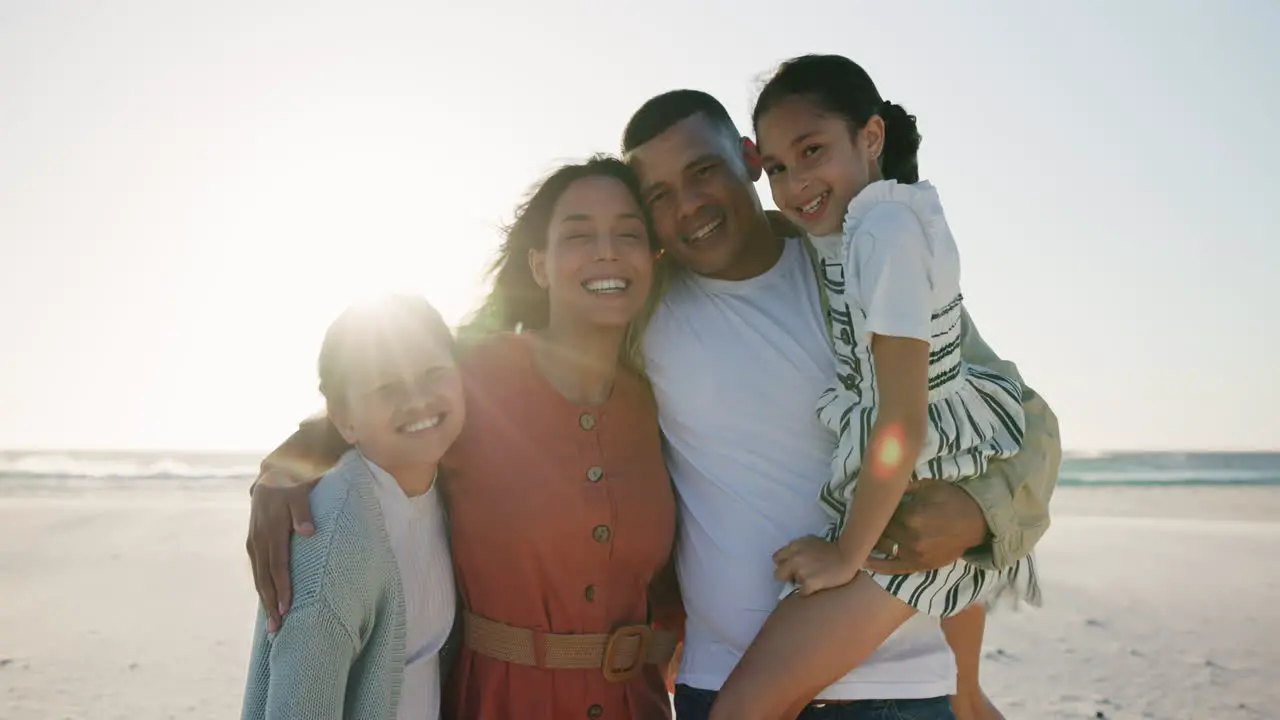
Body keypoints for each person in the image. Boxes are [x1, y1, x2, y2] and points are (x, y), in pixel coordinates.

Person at [620, 87, 1060, 720]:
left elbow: (1021, 418)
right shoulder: (643, 309)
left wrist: (976, 512)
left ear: (749, 159)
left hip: (897, 693)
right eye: (659, 194)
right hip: (718, 681)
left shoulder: (854, 260)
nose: (688, 205)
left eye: (703, 171)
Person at [247, 157, 682, 719]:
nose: (607, 251)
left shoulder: (658, 400)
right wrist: (277, 478)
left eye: (628, 233)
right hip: (497, 704)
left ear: (653, 257)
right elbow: (370, 410)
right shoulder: (474, 374)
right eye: (578, 234)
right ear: (540, 265)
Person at [240, 294, 462, 720]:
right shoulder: (331, 546)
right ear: (343, 417)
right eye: (388, 387)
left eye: (434, 372)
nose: (417, 400)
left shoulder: (440, 491)